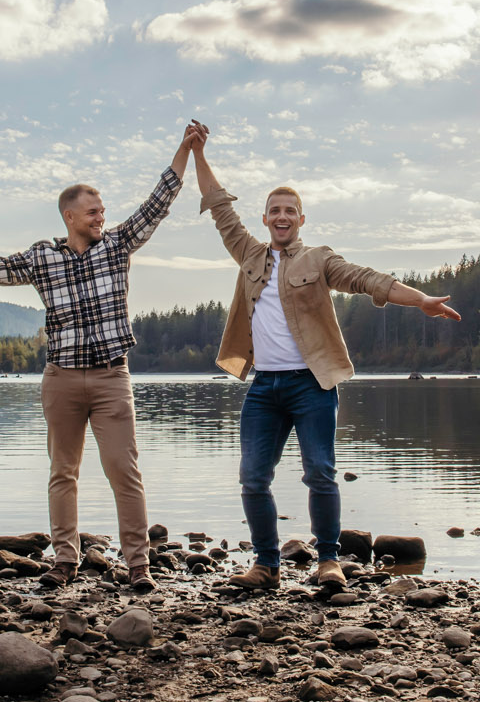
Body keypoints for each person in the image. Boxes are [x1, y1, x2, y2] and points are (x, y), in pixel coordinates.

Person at [0, 123, 204, 593]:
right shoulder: (43, 258)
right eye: (92, 211)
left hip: (111, 380)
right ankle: (65, 560)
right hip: (61, 379)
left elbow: (158, 204)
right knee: (63, 472)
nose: (101, 216)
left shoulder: (118, 246)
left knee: (125, 471)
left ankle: (139, 564)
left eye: (102, 210)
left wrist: (184, 149)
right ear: (69, 215)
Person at [188, 129, 461, 592]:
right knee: (252, 477)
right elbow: (218, 205)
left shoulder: (319, 258)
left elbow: (368, 279)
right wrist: (197, 152)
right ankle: (266, 564)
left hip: (312, 385)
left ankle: (329, 561)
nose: (281, 216)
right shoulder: (249, 254)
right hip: (263, 389)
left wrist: (419, 301)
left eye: (289, 210)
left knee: (320, 473)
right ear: (265, 217)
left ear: (300, 219)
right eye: (274, 210)